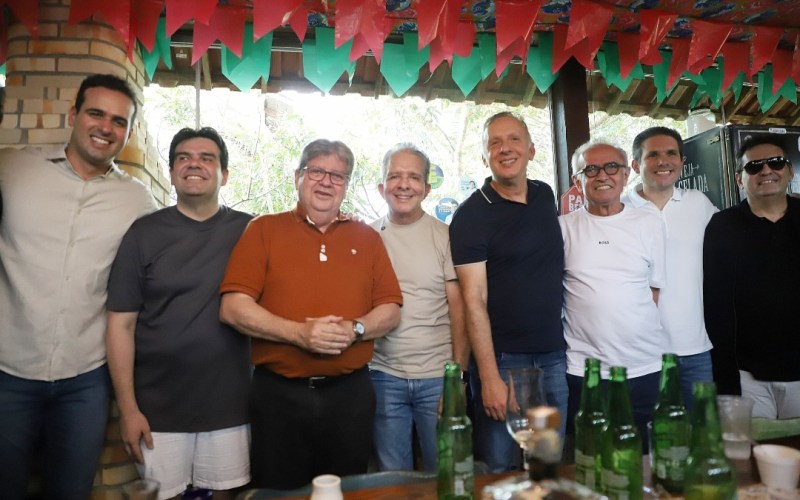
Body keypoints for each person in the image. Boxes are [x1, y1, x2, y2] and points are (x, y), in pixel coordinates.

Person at [0, 74, 157, 499]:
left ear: (128, 133)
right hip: (8, 371)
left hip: (85, 379)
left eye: (119, 121)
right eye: (96, 113)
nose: (106, 127)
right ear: (73, 115)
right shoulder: (12, 168)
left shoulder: (138, 201)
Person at [219, 139, 402, 488]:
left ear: (346, 185)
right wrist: (298, 334)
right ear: (297, 177)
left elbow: (391, 309)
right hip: (278, 397)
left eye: (337, 175)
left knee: (347, 492)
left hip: (350, 397)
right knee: (278, 493)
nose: (326, 182)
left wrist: (356, 329)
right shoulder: (263, 230)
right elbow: (232, 308)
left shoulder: (367, 238)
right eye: (316, 171)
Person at [105, 127, 252, 498]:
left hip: (231, 407)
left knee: (225, 495)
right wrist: (128, 409)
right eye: (183, 158)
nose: (194, 164)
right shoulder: (142, 234)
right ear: (171, 173)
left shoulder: (251, 232)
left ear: (224, 175)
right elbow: (120, 325)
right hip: (157, 409)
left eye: (207, 158)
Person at [449, 112, 567, 472]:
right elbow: (473, 301)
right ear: (484, 156)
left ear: (531, 150)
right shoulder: (470, 216)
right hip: (503, 362)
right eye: (495, 142)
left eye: (514, 139)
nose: (505, 148)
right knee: (497, 470)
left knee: (546, 462)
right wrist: (489, 378)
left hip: (553, 358)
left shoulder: (545, 195)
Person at [369, 143, 468, 472]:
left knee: (446, 472)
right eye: (394, 176)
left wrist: (457, 379)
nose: (403, 185)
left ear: (426, 188)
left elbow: (459, 311)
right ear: (381, 186)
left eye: (413, 177)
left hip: (438, 377)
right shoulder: (366, 237)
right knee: (392, 479)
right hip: (383, 377)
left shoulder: (445, 236)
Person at [561, 140, 667, 445]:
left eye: (611, 167)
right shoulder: (563, 228)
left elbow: (654, 289)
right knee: (592, 458)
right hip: (586, 370)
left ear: (625, 175)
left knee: (647, 457)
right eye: (590, 170)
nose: (602, 176)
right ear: (577, 181)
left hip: (645, 366)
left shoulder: (649, 222)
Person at [704, 135, 800, 418]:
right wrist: (724, 374)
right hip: (744, 375)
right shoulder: (722, 226)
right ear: (739, 179)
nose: (766, 171)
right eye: (754, 166)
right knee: (749, 445)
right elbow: (715, 303)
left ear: (790, 171)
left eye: (776, 163)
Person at [624, 127, 718, 409]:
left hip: (694, 349)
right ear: (635, 165)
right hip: (639, 354)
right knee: (646, 432)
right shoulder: (620, 209)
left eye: (671, 154)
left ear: (681, 161)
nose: (663, 161)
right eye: (653, 155)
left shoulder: (699, 203)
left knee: (701, 429)